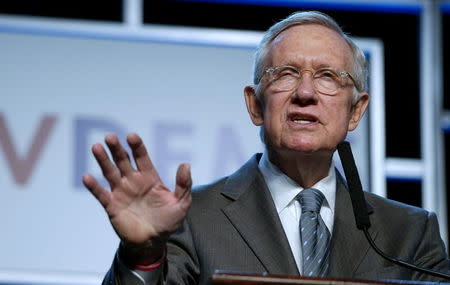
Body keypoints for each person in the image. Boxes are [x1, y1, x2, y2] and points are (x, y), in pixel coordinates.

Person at [83, 11, 450, 285]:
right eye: (285, 74)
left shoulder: (410, 234)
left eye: (327, 77)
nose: (304, 93)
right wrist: (143, 255)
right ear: (255, 105)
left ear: (355, 111)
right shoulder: (192, 221)